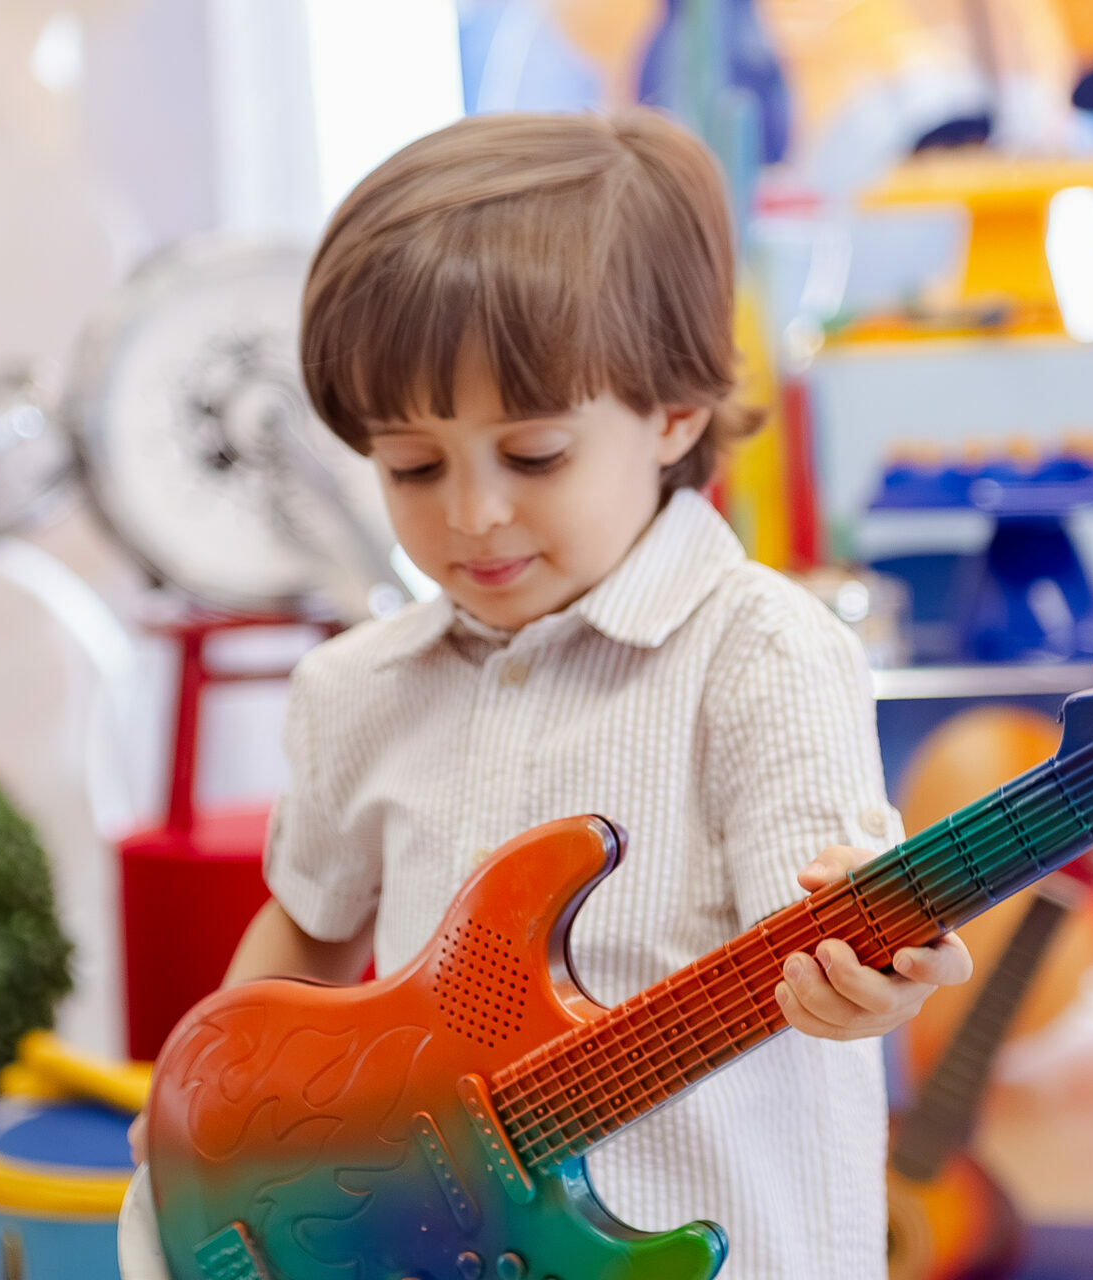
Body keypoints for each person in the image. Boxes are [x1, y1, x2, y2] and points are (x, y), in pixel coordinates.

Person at [127, 108, 971, 1280]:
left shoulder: (763, 655)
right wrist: (210, 1115)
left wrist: (879, 978)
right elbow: (308, 933)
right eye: (412, 465)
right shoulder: (356, 688)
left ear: (674, 412)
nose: (472, 513)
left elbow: (829, 932)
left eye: (533, 456)